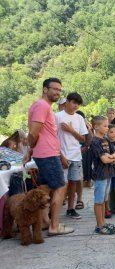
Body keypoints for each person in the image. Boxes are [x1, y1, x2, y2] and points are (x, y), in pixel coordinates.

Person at [25, 77, 74, 236]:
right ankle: (54, 226)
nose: (58, 92)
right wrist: (30, 149)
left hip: (47, 153)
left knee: (45, 189)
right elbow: (33, 133)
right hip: (47, 154)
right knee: (61, 187)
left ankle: (45, 222)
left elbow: (44, 134)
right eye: (54, 89)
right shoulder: (42, 106)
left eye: (60, 90)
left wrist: (31, 151)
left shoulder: (40, 106)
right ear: (45, 89)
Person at [55, 92, 88, 220]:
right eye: (74, 102)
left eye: (78, 104)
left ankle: (70, 208)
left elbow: (83, 139)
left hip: (76, 155)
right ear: (67, 102)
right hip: (61, 155)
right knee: (60, 184)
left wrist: (71, 130)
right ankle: (54, 211)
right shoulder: (57, 116)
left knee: (73, 182)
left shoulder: (79, 118)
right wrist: (61, 155)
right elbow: (53, 138)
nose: (76, 106)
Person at [89, 115, 115, 235]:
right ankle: (99, 225)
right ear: (96, 126)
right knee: (98, 201)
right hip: (100, 175)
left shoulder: (105, 140)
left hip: (108, 174)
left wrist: (111, 156)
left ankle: (102, 223)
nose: (107, 128)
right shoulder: (95, 142)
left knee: (103, 200)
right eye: (105, 126)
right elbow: (105, 160)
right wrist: (111, 158)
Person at [76, 110, 93, 200]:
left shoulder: (86, 126)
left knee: (87, 165)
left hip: (86, 149)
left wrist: (86, 147)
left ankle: (88, 181)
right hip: (76, 150)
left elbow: (90, 137)